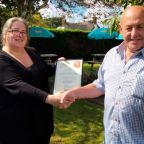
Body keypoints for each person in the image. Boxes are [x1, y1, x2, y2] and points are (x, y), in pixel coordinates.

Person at [61, 6, 144, 143]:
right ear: (120, 29)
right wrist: (73, 93)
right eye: (129, 28)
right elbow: (99, 86)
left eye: (140, 27)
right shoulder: (112, 55)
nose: (134, 34)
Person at [0, 17, 73, 144]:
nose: (20, 35)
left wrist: (58, 66)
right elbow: (17, 85)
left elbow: (43, 71)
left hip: (42, 121)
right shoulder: (2, 59)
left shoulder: (32, 51)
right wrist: (49, 98)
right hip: (16, 126)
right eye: (15, 30)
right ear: (6, 34)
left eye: (23, 32)